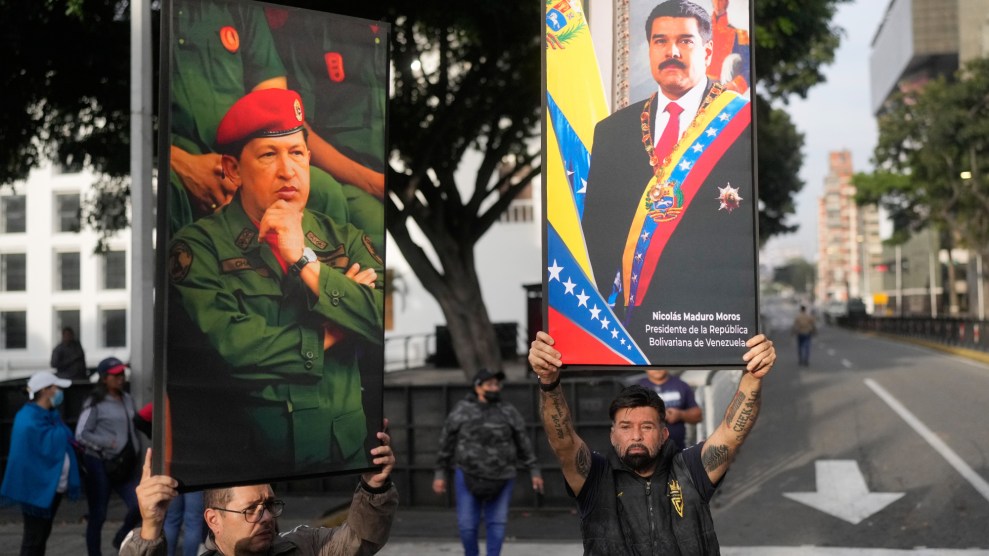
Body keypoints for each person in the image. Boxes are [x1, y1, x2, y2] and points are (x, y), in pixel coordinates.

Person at [166, 88, 384, 484]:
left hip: (345, 458)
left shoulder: (344, 236)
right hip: (254, 470)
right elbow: (231, 349)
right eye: (269, 155)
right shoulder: (197, 248)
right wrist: (336, 330)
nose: (288, 171)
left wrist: (304, 260)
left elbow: (378, 316)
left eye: (297, 153)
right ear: (232, 170)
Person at [580, 0, 755, 363]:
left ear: (707, 51)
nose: (672, 51)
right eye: (660, 41)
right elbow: (597, 234)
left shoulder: (742, 125)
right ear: (649, 49)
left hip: (710, 323)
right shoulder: (612, 131)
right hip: (631, 324)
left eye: (685, 41)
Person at [528, 331, 776, 554]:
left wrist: (753, 376)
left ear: (664, 433)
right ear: (613, 434)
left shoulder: (691, 470)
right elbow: (562, 442)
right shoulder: (594, 477)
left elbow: (733, 433)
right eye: (626, 427)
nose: (636, 435)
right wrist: (549, 382)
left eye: (647, 426)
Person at [119, 422, 398, 556]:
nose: (266, 517)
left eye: (268, 505)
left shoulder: (305, 547)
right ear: (214, 519)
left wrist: (374, 486)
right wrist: (151, 526)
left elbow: (361, 541)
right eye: (250, 509)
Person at [432, 369, 544, 556]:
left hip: (503, 476)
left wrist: (534, 470)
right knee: (467, 525)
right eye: (489, 384)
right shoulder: (461, 410)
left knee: (497, 523)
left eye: (496, 384)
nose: (494, 388)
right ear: (477, 387)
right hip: (468, 474)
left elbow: (523, 441)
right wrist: (440, 473)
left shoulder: (508, 410)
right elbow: (446, 442)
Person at [0, 371, 81, 556]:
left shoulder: (50, 415)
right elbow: (29, 455)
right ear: (45, 390)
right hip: (35, 490)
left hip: (52, 487)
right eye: (56, 387)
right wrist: (63, 436)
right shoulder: (28, 418)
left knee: (42, 535)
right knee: (33, 538)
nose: (60, 391)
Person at [75, 357, 142, 555]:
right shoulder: (94, 401)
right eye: (115, 375)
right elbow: (80, 434)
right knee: (99, 514)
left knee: (138, 505)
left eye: (122, 374)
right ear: (104, 378)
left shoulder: (127, 398)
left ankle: (121, 536)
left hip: (124, 464)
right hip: (100, 463)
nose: (120, 378)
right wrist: (106, 444)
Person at [634, 369, 702, 450]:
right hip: (646, 449)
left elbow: (698, 415)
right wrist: (657, 415)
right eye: (653, 364)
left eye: (660, 363)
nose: (657, 368)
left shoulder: (681, 385)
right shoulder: (637, 388)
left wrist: (680, 415)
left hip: (677, 449)